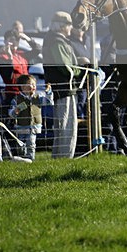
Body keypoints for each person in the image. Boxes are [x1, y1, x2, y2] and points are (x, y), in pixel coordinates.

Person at [43, 11, 79, 159]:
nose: (71, 28)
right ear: (62, 26)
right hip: (64, 90)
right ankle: (64, 159)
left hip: (63, 89)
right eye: (69, 25)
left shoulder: (55, 39)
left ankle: (59, 160)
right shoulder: (57, 41)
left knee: (63, 126)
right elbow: (65, 67)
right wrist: (80, 71)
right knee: (67, 127)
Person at [8, 74, 53, 160]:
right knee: (21, 144)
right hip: (21, 126)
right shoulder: (16, 99)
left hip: (33, 126)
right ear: (22, 87)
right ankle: (22, 157)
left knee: (31, 144)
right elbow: (11, 113)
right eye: (30, 84)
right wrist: (15, 111)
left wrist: (48, 92)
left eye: (34, 84)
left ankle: (30, 159)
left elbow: (48, 102)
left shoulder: (38, 97)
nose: (33, 86)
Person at [0, 29, 29, 100]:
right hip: (13, 94)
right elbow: (8, 76)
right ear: (5, 41)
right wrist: (10, 57)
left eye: (16, 40)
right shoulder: (2, 57)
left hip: (26, 92)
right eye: (11, 40)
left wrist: (27, 39)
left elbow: (37, 50)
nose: (14, 42)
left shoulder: (21, 54)